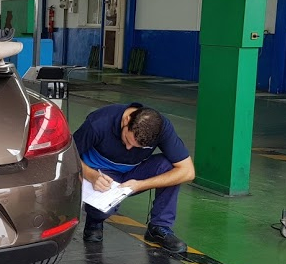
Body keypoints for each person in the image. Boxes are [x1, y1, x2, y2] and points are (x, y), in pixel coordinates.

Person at [74, 103, 195, 253]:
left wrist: (140, 185)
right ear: (126, 120)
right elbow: (68, 155)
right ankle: (94, 221)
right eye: (127, 139)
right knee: (102, 209)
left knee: (170, 168)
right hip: (101, 173)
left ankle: (159, 226)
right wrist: (91, 176)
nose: (128, 148)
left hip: (135, 173)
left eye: (137, 146)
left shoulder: (162, 128)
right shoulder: (98, 123)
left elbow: (188, 171)